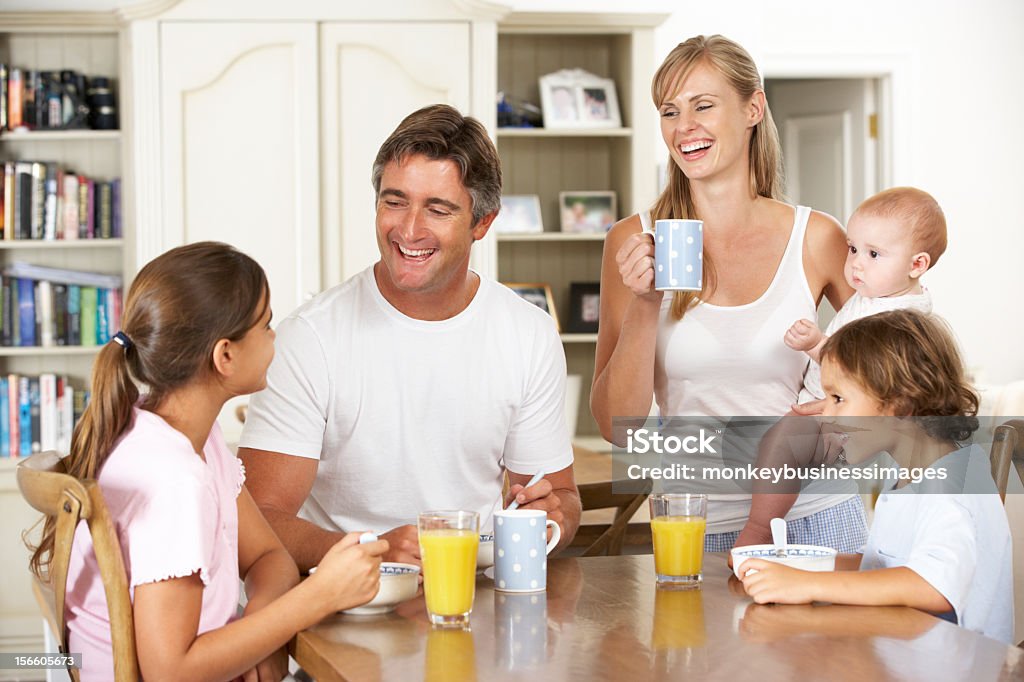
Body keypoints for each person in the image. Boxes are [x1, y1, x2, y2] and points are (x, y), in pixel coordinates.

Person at [238, 104, 580, 572]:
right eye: (394, 201)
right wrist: (371, 550)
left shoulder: (528, 333)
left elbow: (559, 496)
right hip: (341, 606)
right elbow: (257, 521)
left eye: (437, 209)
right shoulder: (309, 337)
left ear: (482, 223)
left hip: (470, 598)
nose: (408, 229)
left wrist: (552, 519)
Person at [27, 242, 388, 681]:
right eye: (266, 325)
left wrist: (263, 631)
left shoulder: (180, 433)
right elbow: (170, 672)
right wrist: (316, 597)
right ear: (226, 356)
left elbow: (267, 555)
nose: (275, 337)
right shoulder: (173, 479)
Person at [591, 34, 865, 552]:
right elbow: (615, 427)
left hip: (820, 514)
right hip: (695, 523)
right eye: (670, 112)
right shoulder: (632, 241)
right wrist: (647, 302)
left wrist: (840, 411)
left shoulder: (816, 237)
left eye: (704, 105)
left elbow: (890, 370)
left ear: (753, 108)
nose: (684, 127)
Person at [740, 310, 1013, 645]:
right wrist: (792, 566)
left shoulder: (953, 484)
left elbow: (932, 586)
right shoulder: (911, 474)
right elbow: (880, 566)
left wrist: (802, 583)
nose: (825, 412)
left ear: (900, 405)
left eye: (838, 398)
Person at [738, 187, 945, 546]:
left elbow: (861, 376)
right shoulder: (876, 297)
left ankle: (758, 529)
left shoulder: (900, 319)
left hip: (843, 416)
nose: (856, 263)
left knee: (779, 443)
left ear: (916, 265)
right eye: (853, 249)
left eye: (874, 254)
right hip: (832, 410)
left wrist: (816, 345)